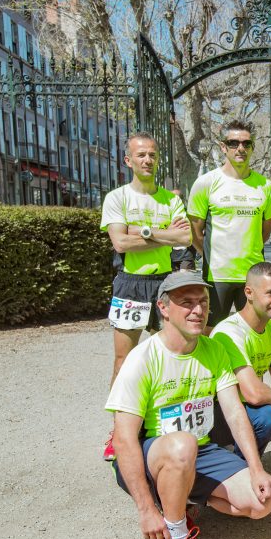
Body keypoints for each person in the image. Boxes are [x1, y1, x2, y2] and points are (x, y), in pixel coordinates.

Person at [105, 270, 271, 539]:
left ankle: (184, 498)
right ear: (164, 308)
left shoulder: (214, 350)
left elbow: (235, 412)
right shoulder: (142, 358)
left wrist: (256, 469)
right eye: (186, 303)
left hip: (200, 451)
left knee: (262, 504)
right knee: (182, 443)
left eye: (203, 302)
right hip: (152, 458)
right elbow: (123, 438)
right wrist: (145, 509)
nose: (197, 310)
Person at [100, 133, 192, 460]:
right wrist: (165, 236)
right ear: (128, 160)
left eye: (152, 154)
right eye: (140, 155)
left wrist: (146, 232)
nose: (147, 160)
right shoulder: (117, 198)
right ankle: (118, 432)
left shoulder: (171, 199)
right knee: (124, 361)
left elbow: (185, 236)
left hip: (165, 284)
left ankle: (162, 427)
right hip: (130, 283)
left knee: (169, 357)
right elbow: (120, 244)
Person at [188, 120, 271, 328]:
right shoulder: (206, 183)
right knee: (210, 333)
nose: (240, 148)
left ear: (253, 147)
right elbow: (195, 233)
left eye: (247, 144)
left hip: (252, 275)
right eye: (233, 143)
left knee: (253, 332)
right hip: (217, 274)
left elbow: (265, 233)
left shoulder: (266, 186)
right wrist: (213, 255)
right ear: (223, 146)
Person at [210, 262, 271, 456]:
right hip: (218, 414)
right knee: (268, 415)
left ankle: (246, 460)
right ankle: (235, 464)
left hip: (244, 407)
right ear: (249, 293)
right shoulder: (228, 332)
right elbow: (253, 393)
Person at [169, 188, 196, 272]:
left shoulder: (190, 214)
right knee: (174, 282)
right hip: (171, 256)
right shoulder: (166, 215)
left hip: (187, 254)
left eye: (178, 197)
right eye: (172, 197)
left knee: (185, 280)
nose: (176, 200)